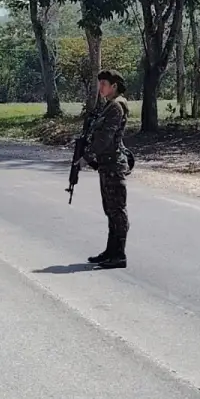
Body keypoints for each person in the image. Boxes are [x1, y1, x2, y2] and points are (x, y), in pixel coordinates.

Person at [84, 69, 130, 269]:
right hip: (106, 164)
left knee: (117, 210)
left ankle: (119, 254)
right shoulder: (109, 105)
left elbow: (105, 138)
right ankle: (110, 251)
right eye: (100, 83)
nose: (100, 87)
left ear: (114, 86)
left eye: (104, 84)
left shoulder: (116, 107)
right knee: (110, 209)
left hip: (113, 165)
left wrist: (88, 156)